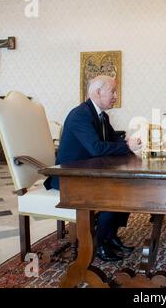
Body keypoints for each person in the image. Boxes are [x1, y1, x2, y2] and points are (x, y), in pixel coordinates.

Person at [44, 75, 142, 262]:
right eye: (112, 91)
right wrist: (126, 146)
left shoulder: (101, 116)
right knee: (115, 194)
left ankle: (110, 236)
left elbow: (115, 141)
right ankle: (98, 243)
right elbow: (96, 148)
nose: (116, 96)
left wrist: (129, 143)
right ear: (98, 92)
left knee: (128, 188)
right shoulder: (80, 114)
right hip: (68, 178)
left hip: (86, 174)